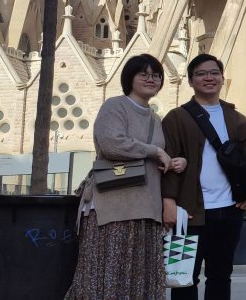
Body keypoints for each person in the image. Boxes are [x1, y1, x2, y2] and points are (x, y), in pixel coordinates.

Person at [65, 54, 178, 300]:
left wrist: (175, 160)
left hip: (147, 208)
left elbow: (160, 155)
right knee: (108, 276)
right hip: (113, 207)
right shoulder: (115, 106)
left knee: (139, 279)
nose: (151, 79)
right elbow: (111, 144)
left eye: (156, 75)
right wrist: (155, 151)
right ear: (130, 78)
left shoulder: (156, 118)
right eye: (143, 74)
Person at [161, 54, 246, 300]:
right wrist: (168, 202)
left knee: (220, 276)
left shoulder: (235, 118)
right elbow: (167, 161)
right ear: (190, 81)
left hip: (229, 210)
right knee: (182, 278)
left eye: (214, 73)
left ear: (222, 78)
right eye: (201, 74)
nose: (209, 78)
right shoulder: (176, 117)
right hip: (187, 213)